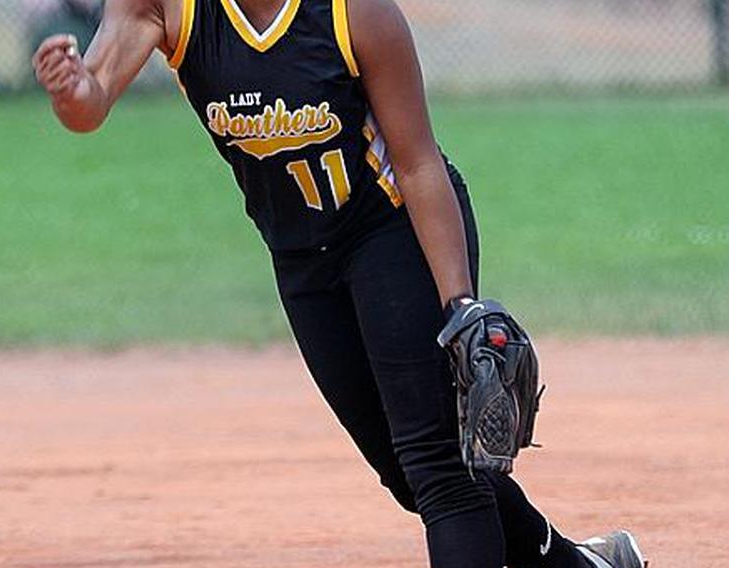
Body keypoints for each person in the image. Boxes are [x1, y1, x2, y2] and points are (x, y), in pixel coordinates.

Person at [32, 1, 647, 567]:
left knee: (437, 468)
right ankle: (576, 564)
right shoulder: (170, 7)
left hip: (393, 230)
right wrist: (72, 89)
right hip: (301, 260)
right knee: (405, 475)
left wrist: (462, 305)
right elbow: (90, 102)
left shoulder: (356, 13)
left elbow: (418, 162)